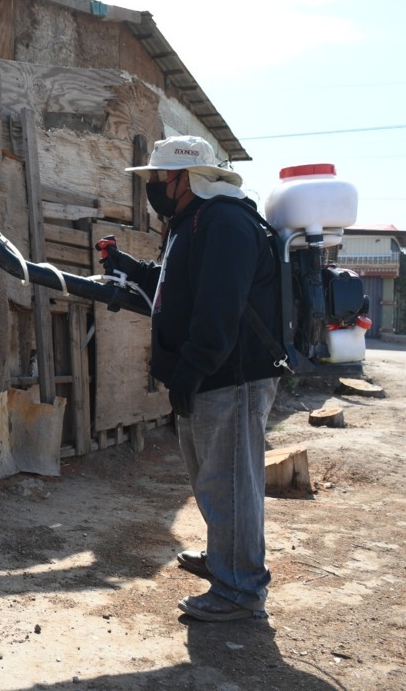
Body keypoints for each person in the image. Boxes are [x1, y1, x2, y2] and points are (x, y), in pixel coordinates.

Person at [101, 134, 284, 622]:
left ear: (186, 178)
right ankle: (226, 561)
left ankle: (241, 588)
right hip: (211, 373)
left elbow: (219, 308)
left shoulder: (223, 222)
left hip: (231, 375)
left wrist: (192, 368)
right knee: (212, 479)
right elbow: (174, 285)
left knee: (229, 482)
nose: (154, 187)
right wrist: (127, 269)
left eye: (160, 177)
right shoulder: (193, 222)